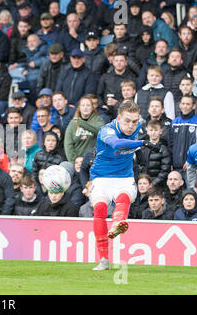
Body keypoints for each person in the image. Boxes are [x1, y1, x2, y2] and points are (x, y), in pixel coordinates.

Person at [89, 100, 160, 271]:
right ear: (119, 118)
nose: (131, 125)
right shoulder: (107, 130)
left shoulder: (137, 129)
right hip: (101, 177)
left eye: (135, 121)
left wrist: (141, 156)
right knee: (99, 209)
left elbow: (135, 148)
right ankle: (104, 260)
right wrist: (142, 143)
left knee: (123, 197)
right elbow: (116, 144)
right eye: (127, 120)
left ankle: (117, 223)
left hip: (124, 177)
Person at [64, 95, 104, 163]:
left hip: (94, 160)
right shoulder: (73, 123)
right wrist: (74, 161)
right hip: (77, 161)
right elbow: (68, 144)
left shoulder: (98, 120)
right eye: (83, 105)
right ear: (79, 108)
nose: (85, 108)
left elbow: (101, 132)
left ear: (92, 107)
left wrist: (82, 124)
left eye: (88, 105)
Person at [136, 120, 171, 188]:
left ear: (160, 131)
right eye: (151, 130)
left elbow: (165, 170)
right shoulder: (142, 148)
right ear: (147, 131)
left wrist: (153, 184)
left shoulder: (163, 149)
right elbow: (138, 166)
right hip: (143, 184)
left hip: (157, 186)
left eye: (156, 130)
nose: (153, 132)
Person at [169, 95, 197, 177]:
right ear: (180, 105)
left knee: (191, 189)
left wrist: (190, 161)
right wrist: (170, 162)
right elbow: (170, 145)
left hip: (192, 167)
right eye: (183, 103)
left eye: (188, 104)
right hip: (175, 167)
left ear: (193, 106)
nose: (185, 106)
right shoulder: (174, 122)